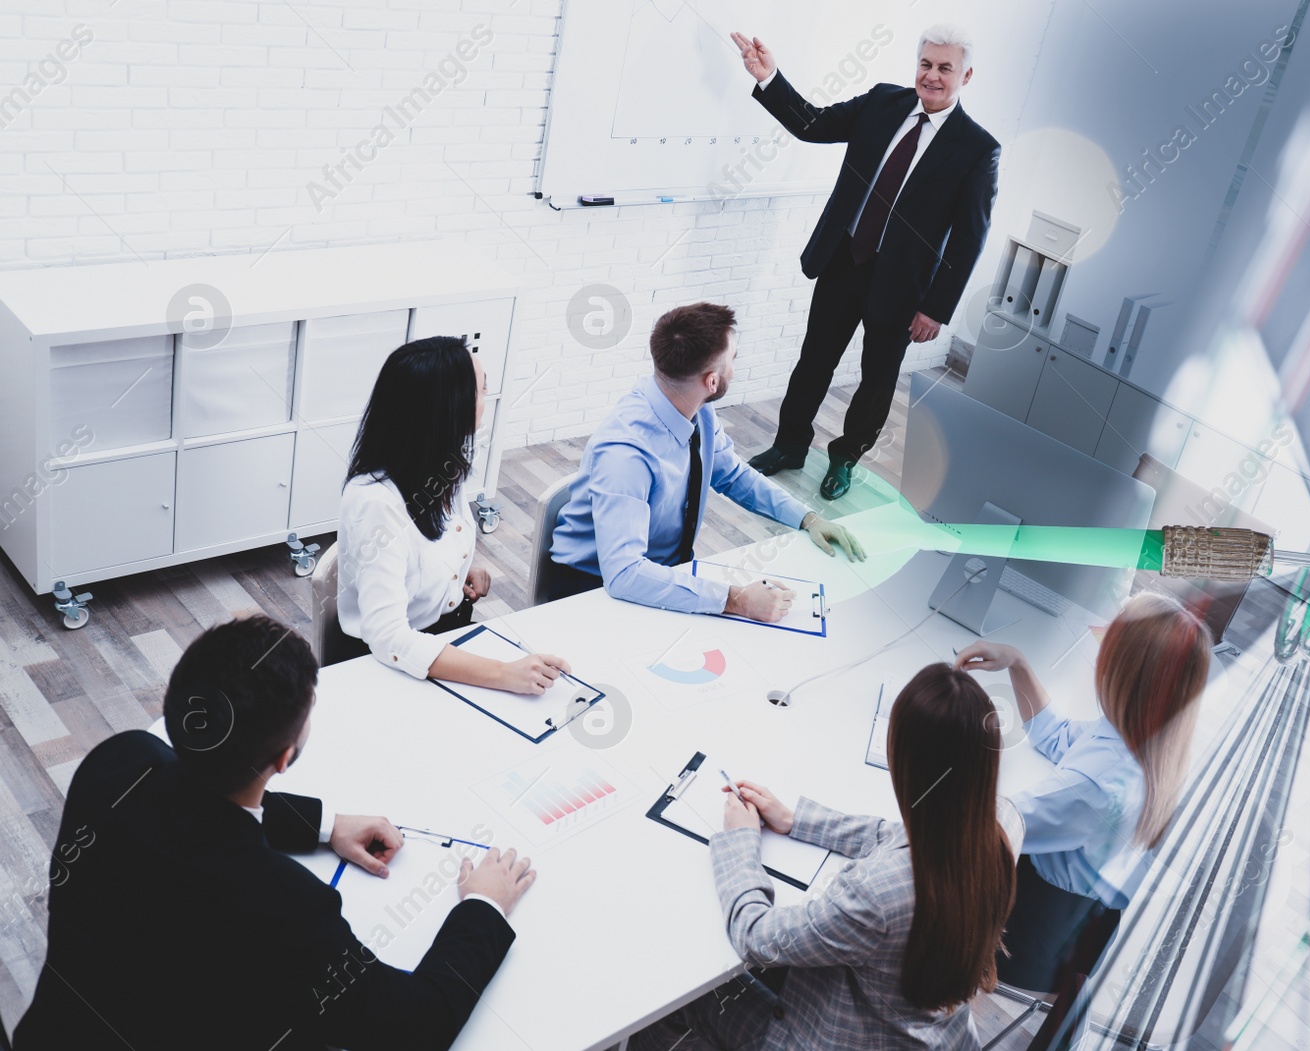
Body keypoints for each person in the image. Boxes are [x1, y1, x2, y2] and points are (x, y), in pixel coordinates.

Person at [13, 615, 535, 1050]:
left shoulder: (119, 761)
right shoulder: (285, 906)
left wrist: (327, 825)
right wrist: (483, 907)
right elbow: (416, 1025)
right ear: (286, 758)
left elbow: (189, 793)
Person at [631, 662, 1022, 1050]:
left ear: (901, 755)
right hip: (934, 1035)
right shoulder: (999, 825)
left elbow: (755, 937)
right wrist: (795, 820)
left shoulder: (875, 895)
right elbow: (889, 834)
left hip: (838, 1039)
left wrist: (740, 841)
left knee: (667, 1004)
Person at [732, 24, 1000, 501]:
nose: (932, 76)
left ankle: (845, 459)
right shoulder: (882, 102)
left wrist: (937, 308)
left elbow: (968, 239)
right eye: (925, 64)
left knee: (876, 382)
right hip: (845, 259)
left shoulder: (978, 149)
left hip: (903, 285)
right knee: (814, 361)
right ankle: (789, 446)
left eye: (945, 68)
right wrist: (770, 77)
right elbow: (812, 124)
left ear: (966, 75)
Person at [957, 592, 1211, 993]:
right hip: (1077, 932)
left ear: (1123, 672)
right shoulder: (1151, 739)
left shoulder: (1096, 785)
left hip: (1022, 942)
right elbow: (1058, 737)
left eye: (1107, 649)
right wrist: (1016, 661)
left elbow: (987, 826)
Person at [547, 301, 865, 620]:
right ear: (712, 381)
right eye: (733, 360)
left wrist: (807, 518)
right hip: (592, 588)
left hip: (660, 571)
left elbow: (733, 475)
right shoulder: (625, 454)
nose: (735, 368)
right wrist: (736, 599)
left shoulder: (697, 408)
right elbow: (624, 574)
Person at [336, 335, 569, 693]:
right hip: (385, 664)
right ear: (447, 407)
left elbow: (424, 547)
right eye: (481, 390)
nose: (487, 397)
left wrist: (451, 575)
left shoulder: (443, 465)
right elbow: (388, 638)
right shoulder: (376, 503)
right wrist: (506, 674)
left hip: (445, 634)